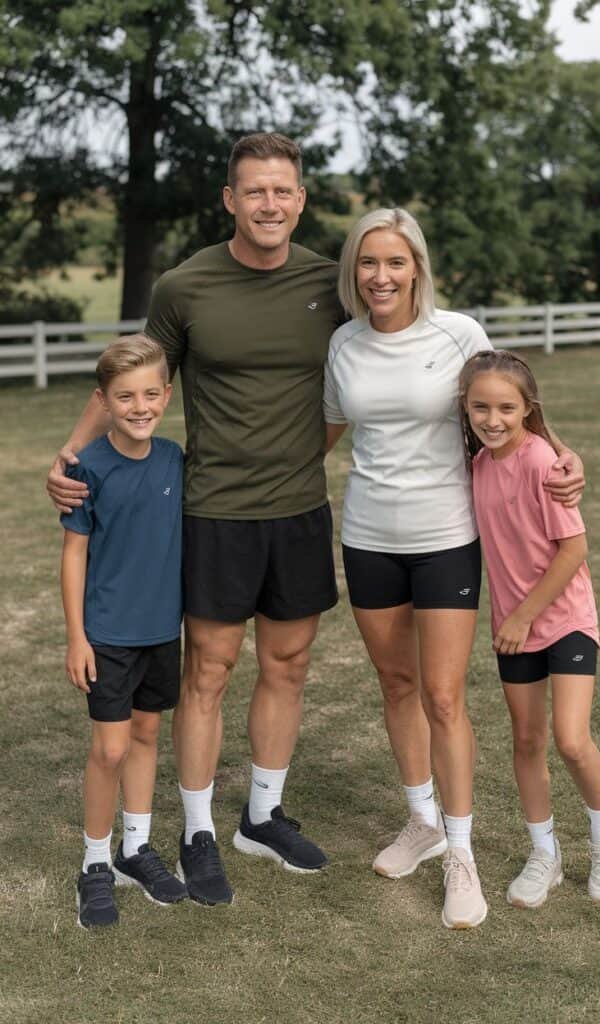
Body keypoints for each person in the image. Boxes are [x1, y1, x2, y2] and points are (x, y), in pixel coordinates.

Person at [48, 132, 344, 904]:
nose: (269, 204)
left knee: (287, 667)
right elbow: (129, 375)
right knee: (207, 675)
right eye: (254, 191)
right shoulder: (186, 286)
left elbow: (382, 364)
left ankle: (263, 816)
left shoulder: (330, 281)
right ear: (229, 199)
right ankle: (200, 830)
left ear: (300, 198)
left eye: (282, 190)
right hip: (214, 513)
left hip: (301, 511)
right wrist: (68, 455)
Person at [323, 209, 585, 929]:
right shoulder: (341, 343)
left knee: (441, 696)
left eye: (395, 262)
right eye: (368, 263)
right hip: (368, 535)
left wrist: (564, 456)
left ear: (417, 268)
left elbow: (514, 405)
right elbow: (326, 429)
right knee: (396, 683)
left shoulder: (459, 333)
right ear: (354, 270)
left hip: (445, 538)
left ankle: (461, 853)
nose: (381, 276)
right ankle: (421, 822)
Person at [459, 348, 600, 907]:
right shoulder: (478, 465)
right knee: (527, 741)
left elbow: (573, 548)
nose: (492, 419)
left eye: (506, 407)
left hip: (563, 620)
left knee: (570, 738)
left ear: (527, 409)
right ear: (464, 407)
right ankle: (545, 855)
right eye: (480, 406)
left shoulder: (543, 463)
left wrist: (524, 615)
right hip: (515, 630)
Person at [61, 335, 187, 929]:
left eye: (150, 394)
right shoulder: (88, 469)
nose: (140, 406)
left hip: (163, 630)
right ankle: (94, 863)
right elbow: (74, 556)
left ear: (166, 394)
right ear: (104, 401)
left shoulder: (173, 459)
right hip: (107, 632)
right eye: (125, 396)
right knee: (109, 748)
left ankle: (136, 849)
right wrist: (76, 636)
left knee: (144, 737)